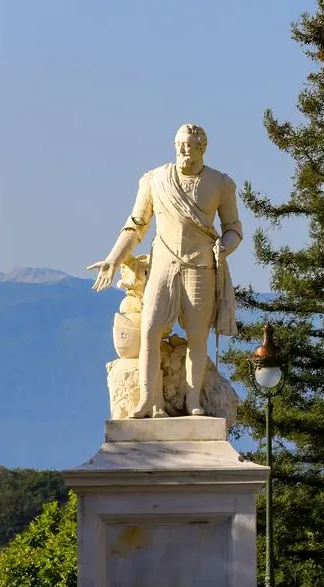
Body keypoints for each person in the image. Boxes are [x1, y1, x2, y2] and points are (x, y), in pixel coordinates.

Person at [87, 124, 243, 418]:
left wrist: (225, 246)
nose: (185, 150)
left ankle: (193, 400)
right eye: (181, 145)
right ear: (175, 145)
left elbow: (234, 229)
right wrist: (114, 258)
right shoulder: (155, 180)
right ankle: (148, 400)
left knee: (198, 337)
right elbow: (135, 225)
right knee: (149, 331)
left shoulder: (220, 184)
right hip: (163, 265)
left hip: (200, 266)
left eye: (192, 146)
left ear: (202, 148)